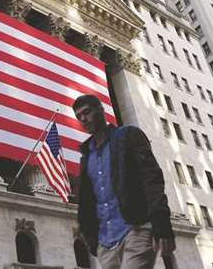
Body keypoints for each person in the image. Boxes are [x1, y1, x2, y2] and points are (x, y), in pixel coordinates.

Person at [73, 94, 176, 269]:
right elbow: (87, 201)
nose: (83, 119)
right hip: (105, 244)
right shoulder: (86, 156)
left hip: (135, 229)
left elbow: (152, 180)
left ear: (101, 110)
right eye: (79, 116)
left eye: (87, 112)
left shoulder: (128, 136)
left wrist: (162, 224)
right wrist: (90, 237)